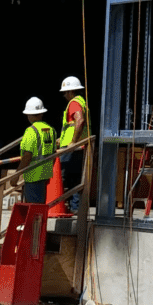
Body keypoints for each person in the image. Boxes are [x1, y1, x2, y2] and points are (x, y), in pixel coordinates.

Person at [18, 97, 56, 204]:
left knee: (33, 209)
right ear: (42, 113)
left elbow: (27, 157)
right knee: (40, 207)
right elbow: (53, 153)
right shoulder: (51, 130)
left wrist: (16, 176)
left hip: (33, 174)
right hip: (45, 173)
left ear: (29, 115)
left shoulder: (31, 131)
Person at [59, 76, 88, 210]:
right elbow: (71, 127)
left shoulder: (74, 103)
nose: (64, 95)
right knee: (75, 179)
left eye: (65, 92)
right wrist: (61, 139)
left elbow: (79, 121)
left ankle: (59, 206)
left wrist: (72, 142)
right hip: (79, 147)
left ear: (71, 92)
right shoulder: (82, 102)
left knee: (61, 177)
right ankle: (75, 208)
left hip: (72, 148)